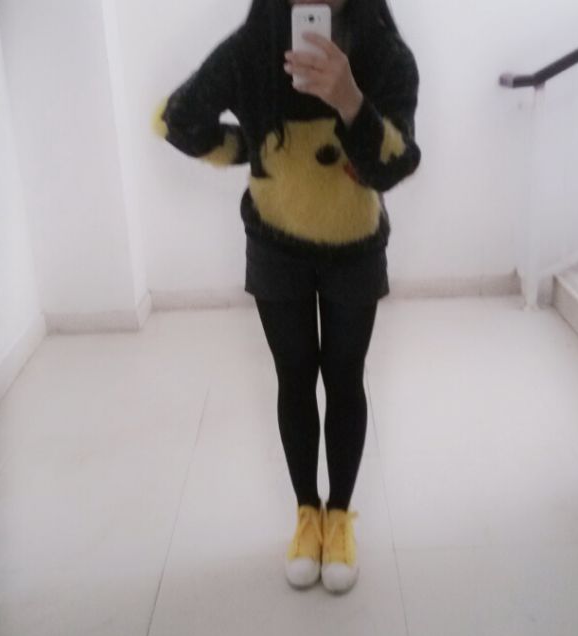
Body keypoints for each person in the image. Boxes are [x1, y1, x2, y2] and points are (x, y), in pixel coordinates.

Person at [152, 0, 421, 594]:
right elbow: (178, 119)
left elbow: (397, 163)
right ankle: (306, 514)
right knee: (294, 378)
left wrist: (350, 100)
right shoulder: (252, 48)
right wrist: (252, 148)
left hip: (354, 246)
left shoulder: (383, 53)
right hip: (276, 245)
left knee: (345, 379)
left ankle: (338, 518)